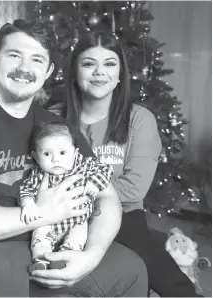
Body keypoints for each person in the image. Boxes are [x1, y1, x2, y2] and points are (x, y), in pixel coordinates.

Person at [0, 18, 148, 297]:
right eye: (14, 55)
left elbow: (107, 197)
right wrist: (46, 213)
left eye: (36, 59)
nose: (24, 68)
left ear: (48, 71)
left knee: (131, 270)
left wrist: (90, 255)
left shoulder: (56, 128)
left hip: (37, 238)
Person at [63, 30, 199, 297]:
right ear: (75, 72)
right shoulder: (54, 119)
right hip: (63, 214)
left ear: (120, 75)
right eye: (89, 63)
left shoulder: (139, 119)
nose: (99, 72)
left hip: (123, 214)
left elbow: (134, 189)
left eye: (109, 64)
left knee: (146, 254)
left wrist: (77, 190)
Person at [18, 121, 113, 273]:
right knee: (39, 237)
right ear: (35, 157)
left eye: (62, 153)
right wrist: (28, 204)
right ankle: (40, 261)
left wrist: (94, 183)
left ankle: (63, 259)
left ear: (75, 153)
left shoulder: (83, 165)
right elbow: (26, 190)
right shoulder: (38, 173)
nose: (56, 159)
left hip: (77, 220)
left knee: (77, 239)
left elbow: (106, 169)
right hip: (47, 220)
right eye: (47, 154)